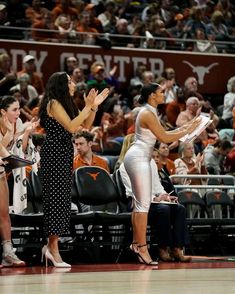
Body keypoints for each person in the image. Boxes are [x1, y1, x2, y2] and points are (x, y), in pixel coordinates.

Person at [123, 83, 201, 265]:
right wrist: (188, 129)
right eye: (161, 92)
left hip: (139, 156)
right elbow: (165, 138)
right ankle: (141, 247)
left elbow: (166, 134)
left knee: (139, 205)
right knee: (143, 206)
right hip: (139, 157)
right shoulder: (147, 113)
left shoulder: (149, 111)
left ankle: (136, 244)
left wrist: (189, 126)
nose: (164, 94)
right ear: (152, 95)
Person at [38, 71, 109, 268]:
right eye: (69, 81)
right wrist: (88, 106)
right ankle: (52, 248)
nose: (73, 83)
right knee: (55, 200)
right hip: (53, 152)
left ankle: (51, 247)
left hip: (64, 152)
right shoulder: (53, 103)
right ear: (61, 84)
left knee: (62, 201)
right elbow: (70, 127)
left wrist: (93, 107)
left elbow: (84, 125)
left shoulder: (67, 103)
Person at [0, 142, 26, 267]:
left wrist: (10, 160)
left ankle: (8, 253)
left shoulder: (14, 125)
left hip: (0, 173)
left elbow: (2, 150)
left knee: (4, 214)